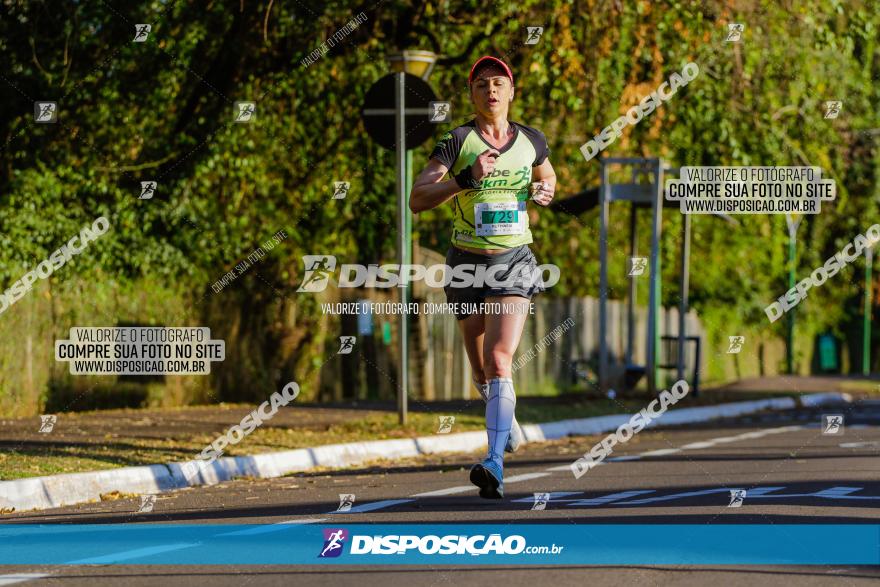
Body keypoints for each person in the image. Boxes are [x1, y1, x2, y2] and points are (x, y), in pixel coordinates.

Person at [409, 56, 557, 499]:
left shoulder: (532, 140)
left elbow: (547, 176)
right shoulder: (457, 141)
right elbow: (418, 199)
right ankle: (505, 422)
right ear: (472, 96)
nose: (490, 91)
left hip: (513, 262)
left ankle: (493, 462)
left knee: (498, 359)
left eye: (498, 84)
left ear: (511, 92)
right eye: (481, 85)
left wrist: (546, 190)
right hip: (466, 265)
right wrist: (463, 180)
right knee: (479, 370)